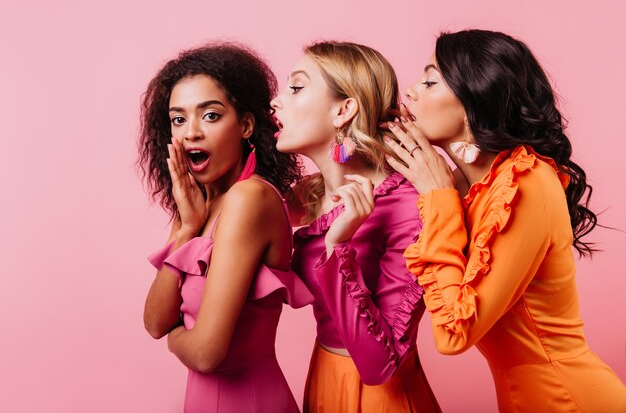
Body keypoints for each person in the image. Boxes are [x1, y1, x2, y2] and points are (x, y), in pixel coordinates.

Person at [384, 29, 626, 413]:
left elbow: (453, 333)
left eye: (430, 80)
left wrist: (438, 196)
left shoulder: (524, 183)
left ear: (473, 101)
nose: (410, 91)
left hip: (568, 399)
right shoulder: (478, 187)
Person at [138, 42, 312, 413]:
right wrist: (185, 230)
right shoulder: (199, 205)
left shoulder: (249, 199)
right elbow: (153, 320)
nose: (191, 133)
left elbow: (204, 353)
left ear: (246, 124)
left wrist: (175, 337)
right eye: (178, 119)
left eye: (210, 116)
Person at [271, 41, 441, 413]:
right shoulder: (303, 196)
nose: (277, 101)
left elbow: (379, 365)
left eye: (296, 88)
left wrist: (339, 244)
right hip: (321, 383)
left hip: (381, 398)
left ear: (344, 109)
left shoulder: (407, 205)